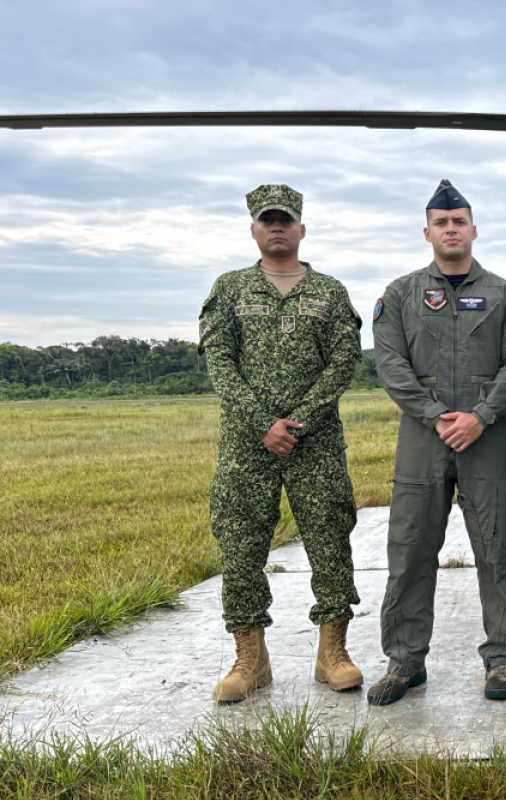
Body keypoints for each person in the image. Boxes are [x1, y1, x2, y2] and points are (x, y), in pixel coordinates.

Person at [369, 179, 506, 705]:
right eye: (441, 222)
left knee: (494, 550)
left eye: (459, 221)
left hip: (485, 437)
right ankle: (404, 660)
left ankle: (502, 661)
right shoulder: (399, 295)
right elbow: (390, 365)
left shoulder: (505, 294)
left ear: (473, 229)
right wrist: (438, 416)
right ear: (427, 232)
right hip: (423, 438)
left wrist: (482, 416)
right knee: (411, 549)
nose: (450, 229)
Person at [199, 184, 364, 703]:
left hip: (315, 443)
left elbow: (344, 362)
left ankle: (331, 654)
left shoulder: (330, 292)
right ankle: (251, 660)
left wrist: (297, 422)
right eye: (267, 220)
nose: (276, 227)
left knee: (330, 541)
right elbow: (219, 363)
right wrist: (262, 423)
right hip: (247, 445)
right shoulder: (229, 289)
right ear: (253, 229)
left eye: (285, 220)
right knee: (242, 545)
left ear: (301, 229)